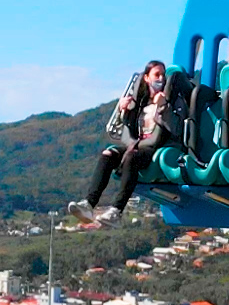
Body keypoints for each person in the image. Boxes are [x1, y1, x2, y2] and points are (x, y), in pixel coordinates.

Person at [70, 61, 182, 224]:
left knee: (132, 157)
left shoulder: (172, 101)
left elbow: (176, 129)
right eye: (156, 75)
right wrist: (124, 110)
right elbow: (129, 129)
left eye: (163, 75)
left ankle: (116, 210)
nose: (161, 78)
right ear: (146, 77)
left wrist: (163, 106)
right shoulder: (141, 102)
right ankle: (89, 203)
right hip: (137, 144)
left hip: (156, 149)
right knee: (108, 154)